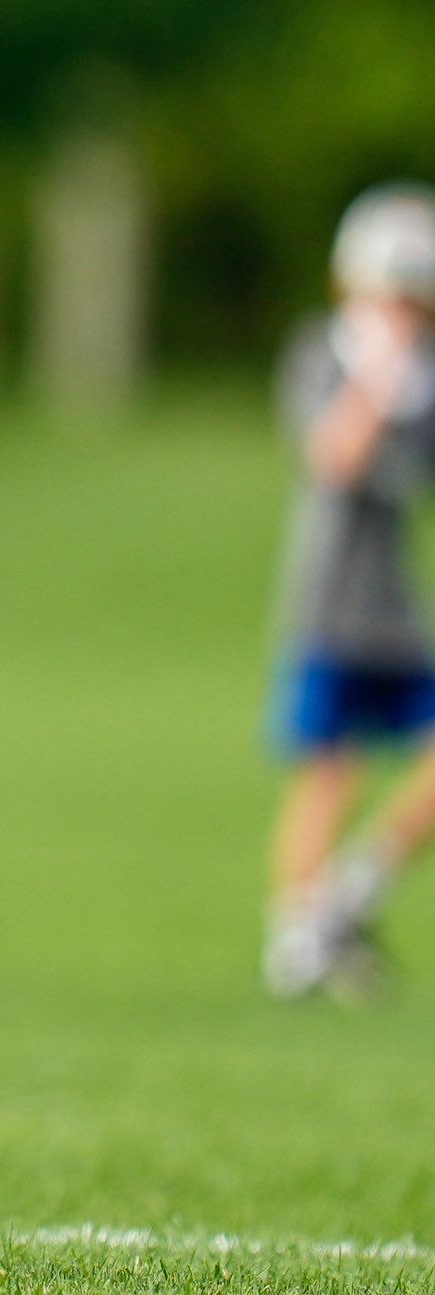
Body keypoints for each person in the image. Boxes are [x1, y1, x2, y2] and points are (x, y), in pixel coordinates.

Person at [263, 183, 435, 1000]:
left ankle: (349, 896)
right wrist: (380, 373)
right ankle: (297, 939)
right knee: (331, 771)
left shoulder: (427, 384)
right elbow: (334, 457)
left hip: (399, 610)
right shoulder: (324, 356)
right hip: (328, 603)